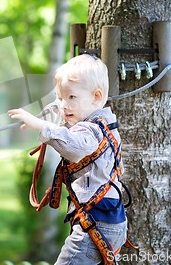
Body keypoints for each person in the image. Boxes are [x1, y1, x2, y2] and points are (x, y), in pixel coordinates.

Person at [8, 54, 127, 264]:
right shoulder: (106, 124)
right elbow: (67, 123)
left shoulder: (91, 129)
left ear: (96, 97)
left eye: (71, 98)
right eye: (60, 97)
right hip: (106, 220)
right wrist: (52, 110)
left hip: (96, 222)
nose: (64, 105)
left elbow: (75, 147)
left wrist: (42, 126)